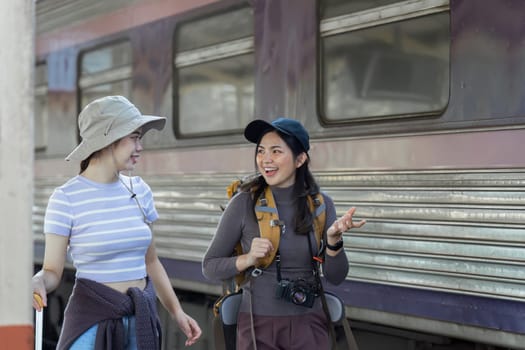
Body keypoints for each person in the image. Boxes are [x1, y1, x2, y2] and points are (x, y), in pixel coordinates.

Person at [31, 95, 202, 349]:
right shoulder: (66, 198)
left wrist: (177, 312)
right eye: (134, 137)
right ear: (108, 140)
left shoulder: (139, 190)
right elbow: (53, 271)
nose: (140, 146)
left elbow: (151, 261)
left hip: (140, 322)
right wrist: (39, 281)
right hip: (90, 325)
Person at [202, 117, 366, 349]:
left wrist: (333, 242)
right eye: (261, 151)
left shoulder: (321, 205)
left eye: (276, 151)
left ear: (300, 159)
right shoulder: (243, 204)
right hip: (258, 327)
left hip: (310, 327)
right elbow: (210, 266)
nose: (265, 159)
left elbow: (336, 277)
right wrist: (248, 259)